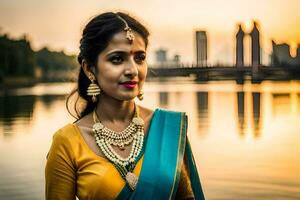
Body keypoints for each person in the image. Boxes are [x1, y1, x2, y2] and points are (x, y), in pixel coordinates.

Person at [45, 11, 205, 200]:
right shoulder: (68, 142)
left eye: (139, 58)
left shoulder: (167, 129)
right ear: (90, 69)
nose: (132, 70)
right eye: (117, 59)